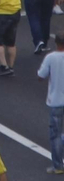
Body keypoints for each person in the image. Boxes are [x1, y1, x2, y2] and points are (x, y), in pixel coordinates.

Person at [39, 31, 64, 173]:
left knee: (55, 135)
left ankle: (58, 165)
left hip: (56, 101)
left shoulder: (51, 57)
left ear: (56, 43)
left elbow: (41, 76)